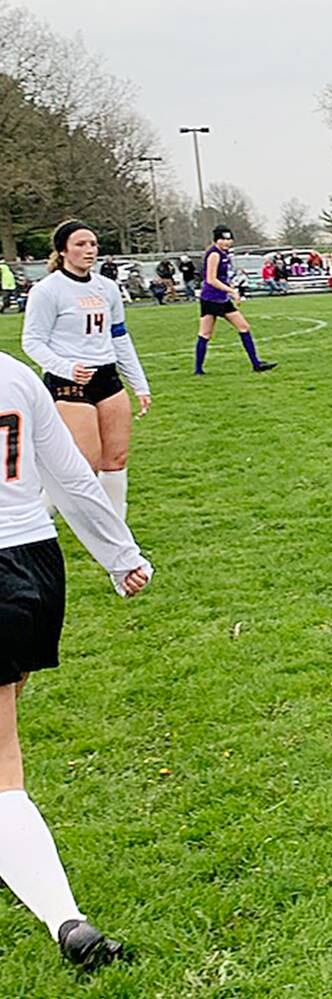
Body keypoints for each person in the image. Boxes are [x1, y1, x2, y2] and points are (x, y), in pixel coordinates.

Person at [0, 348, 152, 972]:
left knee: (2, 767)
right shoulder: (13, 373)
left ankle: (67, 921)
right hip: (33, 568)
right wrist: (121, 555)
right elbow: (69, 475)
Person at [21, 221, 153, 520]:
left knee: (116, 459)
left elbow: (119, 337)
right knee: (84, 465)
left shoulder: (107, 288)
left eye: (93, 244)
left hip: (107, 379)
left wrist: (139, 384)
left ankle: (115, 529)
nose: (89, 250)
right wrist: (66, 367)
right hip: (69, 383)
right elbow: (32, 341)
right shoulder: (47, 290)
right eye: (80, 244)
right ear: (63, 250)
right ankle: (36, 520)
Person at [194, 225, 277, 375]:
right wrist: (231, 291)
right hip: (211, 299)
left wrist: (231, 288)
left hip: (221, 298)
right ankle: (198, 370)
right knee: (206, 333)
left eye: (229, 239)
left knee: (243, 327)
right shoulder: (214, 254)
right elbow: (211, 279)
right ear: (216, 240)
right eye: (223, 239)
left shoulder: (224, 254)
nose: (226, 242)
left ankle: (256, 363)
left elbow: (222, 277)